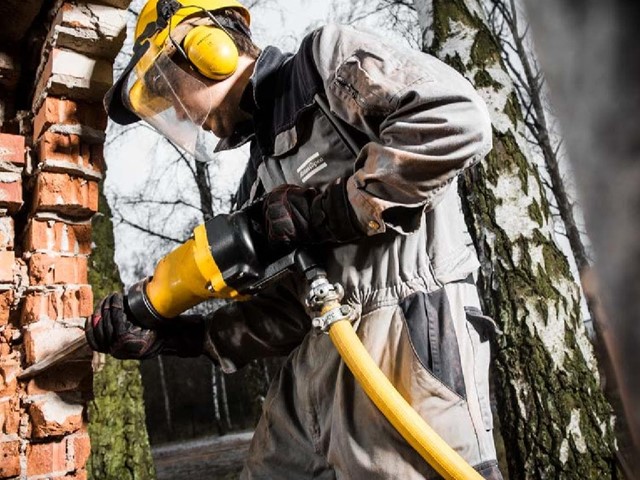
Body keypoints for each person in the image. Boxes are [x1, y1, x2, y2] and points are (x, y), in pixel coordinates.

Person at [87, 0, 503, 478]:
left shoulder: (323, 66)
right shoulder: (257, 174)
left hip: (402, 333)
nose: (172, 109)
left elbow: (454, 119)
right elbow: (290, 309)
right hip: (318, 357)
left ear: (208, 48)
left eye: (165, 85)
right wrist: (186, 337)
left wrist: (333, 210)